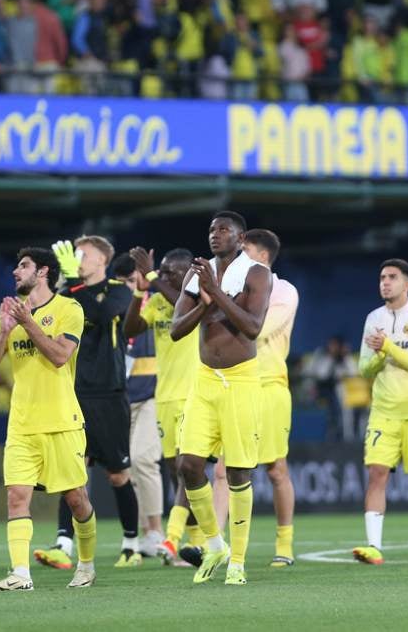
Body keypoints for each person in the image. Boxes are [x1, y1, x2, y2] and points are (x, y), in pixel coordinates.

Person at [0, 247, 97, 591]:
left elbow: (60, 356)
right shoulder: (13, 314)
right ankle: (21, 574)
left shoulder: (69, 308)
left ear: (43, 271)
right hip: (21, 423)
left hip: (61, 420)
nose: (16, 272)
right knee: (16, 495)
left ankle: (87, 565)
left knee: (76, 498)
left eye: (23, 266)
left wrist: (27, 322)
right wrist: (3, 330)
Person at [170, 211, 271, 586]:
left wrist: (214, 295)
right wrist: (205, 300)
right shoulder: (198, 274)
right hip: (204, 380)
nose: (215, 234)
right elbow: (177, 330)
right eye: (211, 229)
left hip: (242, 380)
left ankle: (239, 562)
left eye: (224, 229)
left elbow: (252, 326)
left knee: (239, 471)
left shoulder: (257, 273)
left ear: (241, 238)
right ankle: (215, 544)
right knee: (188, 465)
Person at [35, 236, 141, 568]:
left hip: (109, 393)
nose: (78, 258)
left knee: (118, 475)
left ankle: (131, 544)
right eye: (75, 252)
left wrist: (76, 285)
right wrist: (68, 285)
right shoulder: (68, 293)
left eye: (84, 254)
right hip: (74, 393)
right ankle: (63, 544)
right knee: (72, 473)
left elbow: (101, 311)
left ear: (102, 261)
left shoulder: (119, 290)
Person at [353, 259, 408, 565]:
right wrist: (379, 355)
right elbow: (364, 368)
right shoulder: (373, 318)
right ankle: (373, 546)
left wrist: (387, 347)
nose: (385, 282)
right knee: (376, 473)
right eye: (381, 277)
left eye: (392, 277)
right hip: (383, 411)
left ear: (407, 284)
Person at [123, 245, 202, 565]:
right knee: (174, 471)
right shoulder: (156, 299)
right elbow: (130, 330)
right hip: (164, 396)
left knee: (188, 468)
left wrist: (155, 277)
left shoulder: (197, 299)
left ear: (188, 275)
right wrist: (138, 293)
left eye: (172, 272)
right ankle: (197, 544)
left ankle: (180, 540)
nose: (166, 276)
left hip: (193, 395)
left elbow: (180, 306)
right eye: (164, 270)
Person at [238, 229, 299, 567]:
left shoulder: (284, 290)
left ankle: (284, 544)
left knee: (275, 469)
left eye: (244, 249)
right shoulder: (233, 285)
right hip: (235, 384)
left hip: (270, 385)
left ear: (262, 256)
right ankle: (226, 546)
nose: (238, 255)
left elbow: (256, 331)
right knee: (229, 471)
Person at [110, 253, 164, 557]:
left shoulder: (158, 302)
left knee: (144, 458)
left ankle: (155, 531)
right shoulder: (111, 308)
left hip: (153, 394)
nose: (128, 286)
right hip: (120, 396)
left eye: (133, 280)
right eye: (122, 281)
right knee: (125, 469)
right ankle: (145, 533)